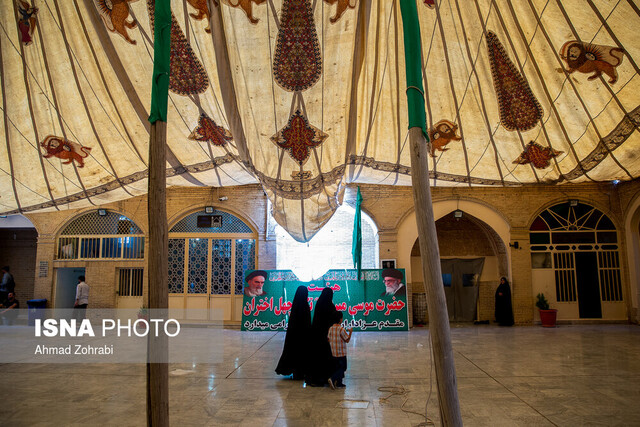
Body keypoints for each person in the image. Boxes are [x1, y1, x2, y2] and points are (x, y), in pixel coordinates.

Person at [275, 286, 311, 380]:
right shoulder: (305, 306)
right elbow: (306, 322)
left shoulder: (295, 307)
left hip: (294, 336)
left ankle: (295, 372)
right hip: (303, 336)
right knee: (302, 354)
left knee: (294, 353)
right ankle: (301, 372)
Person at [305, 287, 338, 386]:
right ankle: (325, 378)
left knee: (317, 358)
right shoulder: (331, 306)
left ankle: (316, 379)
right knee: (326, 357)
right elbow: (333, 321)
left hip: (317, 335)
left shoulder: (319, 304)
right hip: (327, 336)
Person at [327, 311, 352, 389]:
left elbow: (328, 339)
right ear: (340, 319)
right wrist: (350, 332)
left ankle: (339, 383)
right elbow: (347, 340)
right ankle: (332, 379)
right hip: (341, 353)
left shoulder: (330, 328)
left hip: (334, 353)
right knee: (343, 368)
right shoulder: (341, 329)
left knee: (338, 367)